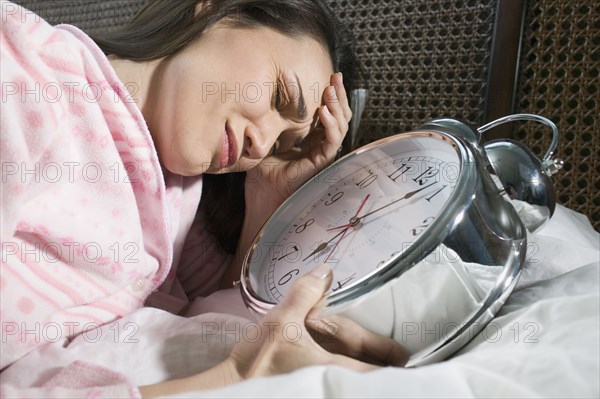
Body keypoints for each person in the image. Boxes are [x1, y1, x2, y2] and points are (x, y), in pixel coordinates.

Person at [0, 0, 407, 397]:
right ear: (214, 10)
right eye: (279, 95)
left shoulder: (179, 197)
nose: (262, 144)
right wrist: (233, 378)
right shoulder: (26, 69)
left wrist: (266, 195)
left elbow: (214, 308)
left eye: (283, 143)